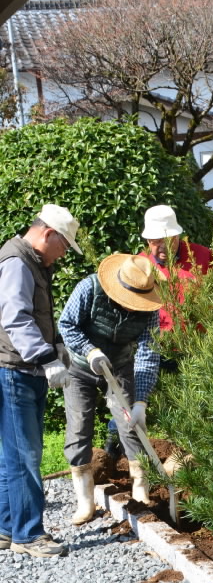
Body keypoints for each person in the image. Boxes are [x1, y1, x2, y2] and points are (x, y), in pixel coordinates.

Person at [0, 203, 81, 558]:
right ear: (48, 234)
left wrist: (58, 346)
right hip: (16, 371)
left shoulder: (32, 261)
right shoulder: (17, 261)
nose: (61, 256)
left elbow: (36, 314)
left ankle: (6, 528)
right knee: (25, 457)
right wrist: (46, 358)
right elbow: (15, 318)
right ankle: (29, 535)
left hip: (21, 369)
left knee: (11, 456)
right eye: (63, 246)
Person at [58, 254, 161, 525]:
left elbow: (148, 355)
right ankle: (84, 498)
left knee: (129, 426)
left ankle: (140, 487)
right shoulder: (89, 288)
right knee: (80, 426)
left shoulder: (149, 309)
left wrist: (140, 402)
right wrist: (89, 351)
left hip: (120, 365)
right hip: (80, 366)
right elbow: (66, 324)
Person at [104, 205, 213, 458]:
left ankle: (193, 454)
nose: (160, 248)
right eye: (154, 243)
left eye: (166, 242)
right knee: (133, 395)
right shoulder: (139, 265)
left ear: (176, 237)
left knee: (196, 399)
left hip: (193, 343)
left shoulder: (202, 257)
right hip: (152, 342)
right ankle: (112, 447)